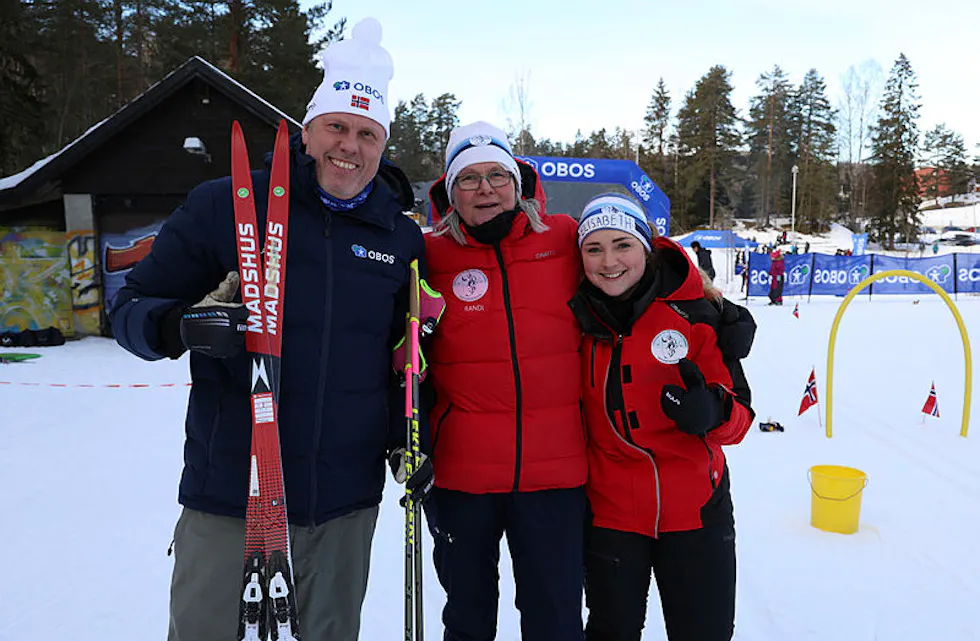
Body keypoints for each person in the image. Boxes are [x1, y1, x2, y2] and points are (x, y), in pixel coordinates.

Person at [109, 19, 432, 641]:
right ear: (306, 132)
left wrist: (407, 436)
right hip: (231, 494)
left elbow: (405, 358)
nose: (350, 145)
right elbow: (132, 307)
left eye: (368, 133)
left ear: (382, 145)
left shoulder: (400, 238)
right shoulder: (225, 205)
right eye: (336, 126)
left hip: (342, 504)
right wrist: (182, 326)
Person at [422, 121, 589, 640]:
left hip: (555, 476)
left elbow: (635, 262)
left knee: (556, 619)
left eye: (498, 174)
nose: (486, 188)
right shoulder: (427, 254)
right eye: (468, 179)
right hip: (460, 475)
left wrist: (707, 307)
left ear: (519, 183)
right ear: (450, 194)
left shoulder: (563, 238)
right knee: (468, 618)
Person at [568, 193, 754, 641]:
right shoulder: (573, 320)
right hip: (611, 515)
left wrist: (713, 411)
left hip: (695, 513)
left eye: (622, 245)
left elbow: (742, 417)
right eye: (594, 249)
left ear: (646, 248)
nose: (609, 261)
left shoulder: (694, 315)